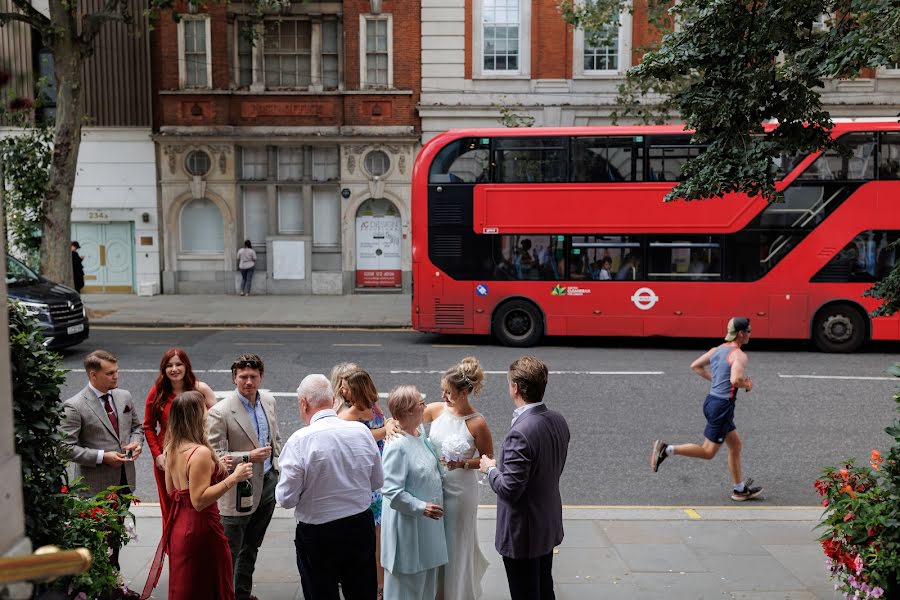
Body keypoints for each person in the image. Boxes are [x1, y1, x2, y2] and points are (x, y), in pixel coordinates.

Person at [276, 374, 384, 600]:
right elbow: (377, 481)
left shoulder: (298, 441)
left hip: (318, 535)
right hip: (359, 527)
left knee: (321, 594)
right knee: (362, 592)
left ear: (304, 403)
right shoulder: (361, 432)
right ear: (333, 399)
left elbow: (286, 499)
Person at [141, 391, 254, 600]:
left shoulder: (171, 448)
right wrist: (234, 477)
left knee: (189, 586)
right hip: (202, 529)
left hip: (179, 526)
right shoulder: (199, 452)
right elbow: (199, 500)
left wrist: (215, 471)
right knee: (210, 585)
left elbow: (170, 490)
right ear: (196, 416)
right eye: (204, 409)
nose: (208, 412)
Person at [480, 356, 570, 600]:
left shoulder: (520, 433)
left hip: (524, 531)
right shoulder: (558, 420)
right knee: (544, 588)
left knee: (526, 593)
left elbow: (509, 489)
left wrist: (490, 469)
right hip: (546, 522)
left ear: (516, 387)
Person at [651, 317, 763, 501]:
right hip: (722, 407)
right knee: (708, 452)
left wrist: (716, 380)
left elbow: (696, 366)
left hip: (711, 401)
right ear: (741, 334)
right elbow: (735, 380)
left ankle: (739, 489)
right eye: (749, 331)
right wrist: (747, 385)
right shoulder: (739, 355)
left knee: (735, 445)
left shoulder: (717, 350)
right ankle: (667, 449)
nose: (750, 334)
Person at [207, 354, 283, 600]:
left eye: (253, 376)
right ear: (234, 379)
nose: (248, 381)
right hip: (238, 488)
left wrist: (277, 466)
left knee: (252, 546)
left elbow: (276, 437)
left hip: (268, 485)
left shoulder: (269, 401)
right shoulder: (220, 412)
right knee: (231, 549)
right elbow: (215, 457)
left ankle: (242, 593)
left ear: (261, 377)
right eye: (243, 377)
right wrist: (248, 457)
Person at [60, 350, 144, 571]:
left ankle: (115, 583)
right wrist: (101, 457)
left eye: (116, 371)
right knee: (99, 544)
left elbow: (137, 427)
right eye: (110, 373)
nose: (116, 377)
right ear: (93, 375)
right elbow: (64, 448)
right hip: (95, 490)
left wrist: (136, 443)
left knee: (116, 540)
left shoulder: (123, 396)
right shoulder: (75, 406)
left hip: (125, 483)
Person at [425, 357, 492, 600]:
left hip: (461, 492)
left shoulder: (477, 423)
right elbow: (407, 420)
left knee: (455, 544)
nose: (443, 396)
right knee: (435, 542)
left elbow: (487, 459)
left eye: (448, 392)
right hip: (434, 487)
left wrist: (462, 463)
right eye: (442, 390)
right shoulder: (434, 410)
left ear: (464, 392)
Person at [381, 385, 448, 600]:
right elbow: (391, 490)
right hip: (409, 528)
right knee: (407, 589)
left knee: (427, 586)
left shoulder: (420, 433)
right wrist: (422, 507)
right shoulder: (396, 445)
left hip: (428, 526)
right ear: (408, 411)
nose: (426, 406)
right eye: (421, 403)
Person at [337, 367, 399, 596]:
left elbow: (384, 429)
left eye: (344, 386)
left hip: (380, 479)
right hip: (361, 483)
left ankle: (380, 586)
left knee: (379, 540)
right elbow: (362, 438)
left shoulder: (375, 409)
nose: (341, 390)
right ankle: (371, 586)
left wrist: (389, 424)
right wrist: (386, 429)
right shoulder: (345, 417)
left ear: (356, 389)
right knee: (367, 541)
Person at [143, 348, 218, 521]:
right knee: (170, 507)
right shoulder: (157, 392)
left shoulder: (200, 389)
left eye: (179, 364)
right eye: (169, 365)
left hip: (197, 456)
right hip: (167, 458)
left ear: (186, 366)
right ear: (164, 369)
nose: (174, 369)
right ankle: (172, 546)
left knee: (197, 504)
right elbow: (148, 426)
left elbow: (218, 421)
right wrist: (157, 455)